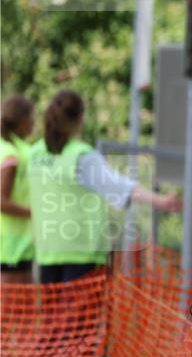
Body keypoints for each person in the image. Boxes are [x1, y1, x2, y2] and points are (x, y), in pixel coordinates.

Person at [28, 90, 181, 284]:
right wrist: (161, 201)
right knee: (82, 315)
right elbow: (119, 186)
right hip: (83, 254)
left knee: (53, 315)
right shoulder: (81, 156)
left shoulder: (34, 154)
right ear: (80, 119)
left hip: (47, 251)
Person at [1, 96, 36, 284]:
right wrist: (34, 213)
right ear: (23, 121)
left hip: (18, 244)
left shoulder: (18, 148)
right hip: (10, 246)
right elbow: (1, 201)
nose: (35, 124)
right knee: (12, 310)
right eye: (33, 119)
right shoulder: (11, 153)